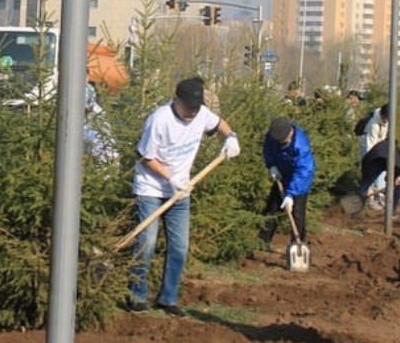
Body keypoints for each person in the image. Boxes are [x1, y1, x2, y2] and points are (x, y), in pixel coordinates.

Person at [128, 77, 239, 316]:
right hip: (151, 188)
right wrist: (170, 178)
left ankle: (168, 298)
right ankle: (136, 295)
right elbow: (145, 157)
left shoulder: (201, 114)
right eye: (188, 107)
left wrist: (231, 137)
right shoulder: (159, 120)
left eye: (195, 108)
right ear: (175, 99)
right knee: (146, 244)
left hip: (181, 192)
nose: (192, 112)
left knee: (179, 247)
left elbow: (219, 123)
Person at [259, 116, 316, 248]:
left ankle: (297, 244)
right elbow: (267, 149)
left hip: (300, 180)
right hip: (281, 173)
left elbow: (303, 171)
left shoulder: (300, 146)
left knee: (297, 212)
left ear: (290, 132)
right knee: (273, 207)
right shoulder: (273, 135)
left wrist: (290, 195)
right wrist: (271, 165)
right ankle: (262, 241)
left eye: (283, 140)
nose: (280, 142)